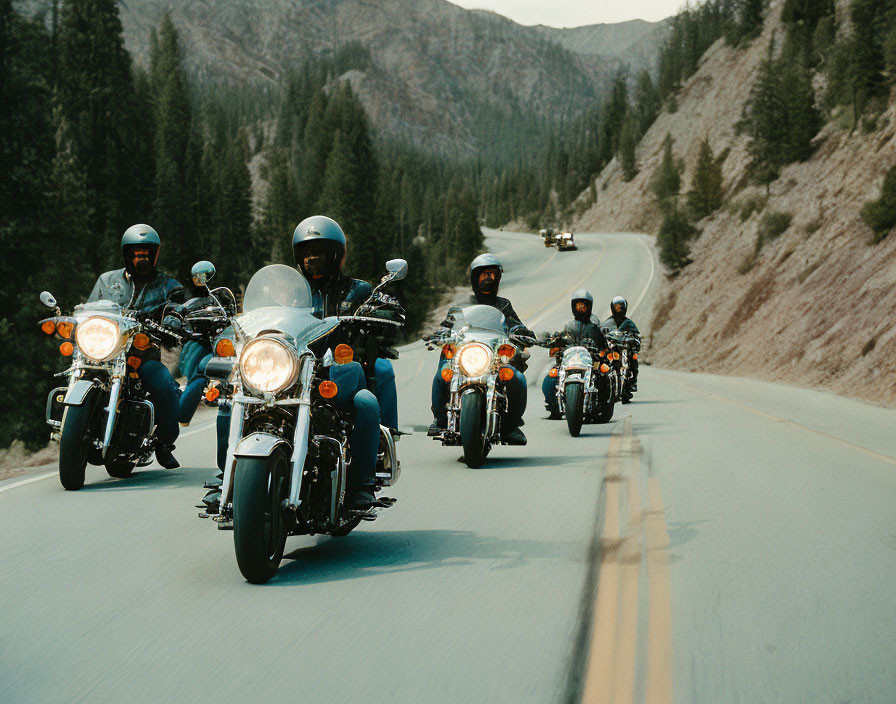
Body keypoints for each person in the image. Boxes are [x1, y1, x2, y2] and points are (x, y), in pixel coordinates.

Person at [292, 215, 396, 508]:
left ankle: (362, 485)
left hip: (343, 374)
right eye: (307, 253)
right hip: (296, 372)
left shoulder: (358, 290)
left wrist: (386, 310)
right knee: (236, 398)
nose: (313, 259)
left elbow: (382, 304)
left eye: (320, 252)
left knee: (365, 403)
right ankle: (227, 477)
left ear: (335, 255)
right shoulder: (291, 292)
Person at [87, 224, 184, 468]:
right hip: (105, 350)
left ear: (154, 255)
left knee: (165, 386)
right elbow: (90, 309)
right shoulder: (107, 281)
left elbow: (177, 308)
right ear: (127, 254)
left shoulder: (167, 285)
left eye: (146, 254)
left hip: (142, 352)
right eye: (136, 254)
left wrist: (173, 321)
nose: (141, 258)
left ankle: (164, 442)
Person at [428, 253, 533, 445]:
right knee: (444, 371)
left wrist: (522, 332)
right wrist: (440, 333)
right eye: (484, 275)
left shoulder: (504, 304)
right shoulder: (461, 305)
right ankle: (440, 417)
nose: (488, 279)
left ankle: (511, 425)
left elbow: (516, 324)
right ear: (475, 278)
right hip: (467, 355)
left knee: (516, 378)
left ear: (498, 278)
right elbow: (448, 325)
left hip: (493, 358)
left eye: (492, 275)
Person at [541, 289, 608, 418]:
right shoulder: (568, 326)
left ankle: (602, 405)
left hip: (588, 361)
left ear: (589, 307)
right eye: (578, 305)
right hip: (570, 360)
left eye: (584, 305)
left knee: (604, 374)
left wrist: (604, 348)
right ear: (573, 306)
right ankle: (553, 406)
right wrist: (551, 341)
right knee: (550, 377)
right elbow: (559, 339)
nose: (581, 308)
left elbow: (602, 345)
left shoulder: (594, 328)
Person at [602, 295, 640, 391]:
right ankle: (605, 381)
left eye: (620, 306)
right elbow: (601, 333)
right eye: (616, 306)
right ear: (612, 307)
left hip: (625, 347)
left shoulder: (628, 323)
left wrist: (634, 339)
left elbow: (636, 334)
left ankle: (633, 380)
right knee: (604, 358)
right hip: (613, 348)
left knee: (634, 356)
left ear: (624, 307)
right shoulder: (608, 322)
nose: (618, 309)